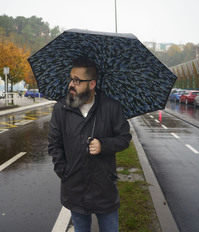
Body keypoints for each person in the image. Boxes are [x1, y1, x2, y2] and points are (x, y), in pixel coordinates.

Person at [48, 57, 132, 232]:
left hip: (104, 189)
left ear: (92, 84)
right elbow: (54, 145)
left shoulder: (111, 107)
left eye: (77, 80)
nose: (71, 84)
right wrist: (64, 172)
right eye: (71, 78)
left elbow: (124, 137)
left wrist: (104, 145)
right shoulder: (61, 109)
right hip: (74, 189)